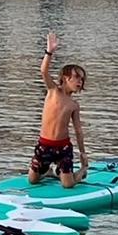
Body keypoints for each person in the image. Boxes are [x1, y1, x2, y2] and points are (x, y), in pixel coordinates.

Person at [29, 32, 88, 188]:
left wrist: (83, 154)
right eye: (77, 78)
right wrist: (49, 52)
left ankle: (81, 172)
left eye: (82, 79)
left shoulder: (74, 105)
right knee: (32, 180)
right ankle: (48, 170)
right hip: (44, 144)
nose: (80, 82)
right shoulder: (53, 91)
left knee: (68, 185)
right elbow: (43, 71)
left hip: (63, 147)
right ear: (66, 78)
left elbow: (78, 131)